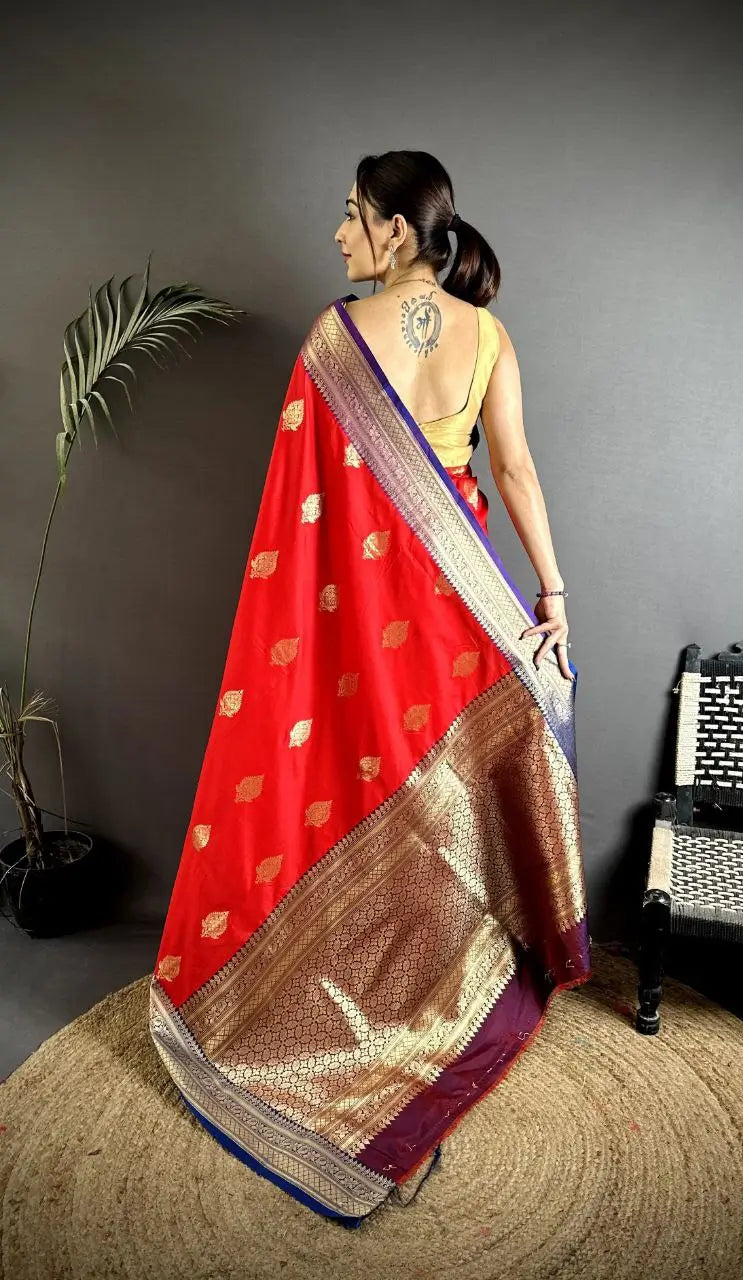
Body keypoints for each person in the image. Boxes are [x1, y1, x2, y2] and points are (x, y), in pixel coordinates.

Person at [148, 149, 592, 1228]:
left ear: (395, 231)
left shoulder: (334, 338)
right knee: (443, 817)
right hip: (460, 620)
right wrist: (550, 594)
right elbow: (514, 470)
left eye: (351, 216)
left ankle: (356, 1021)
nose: (338, 234)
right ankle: (427, 1010)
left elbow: (298, 519)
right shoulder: (489, 337)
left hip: (362, 630)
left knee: (354, 797)